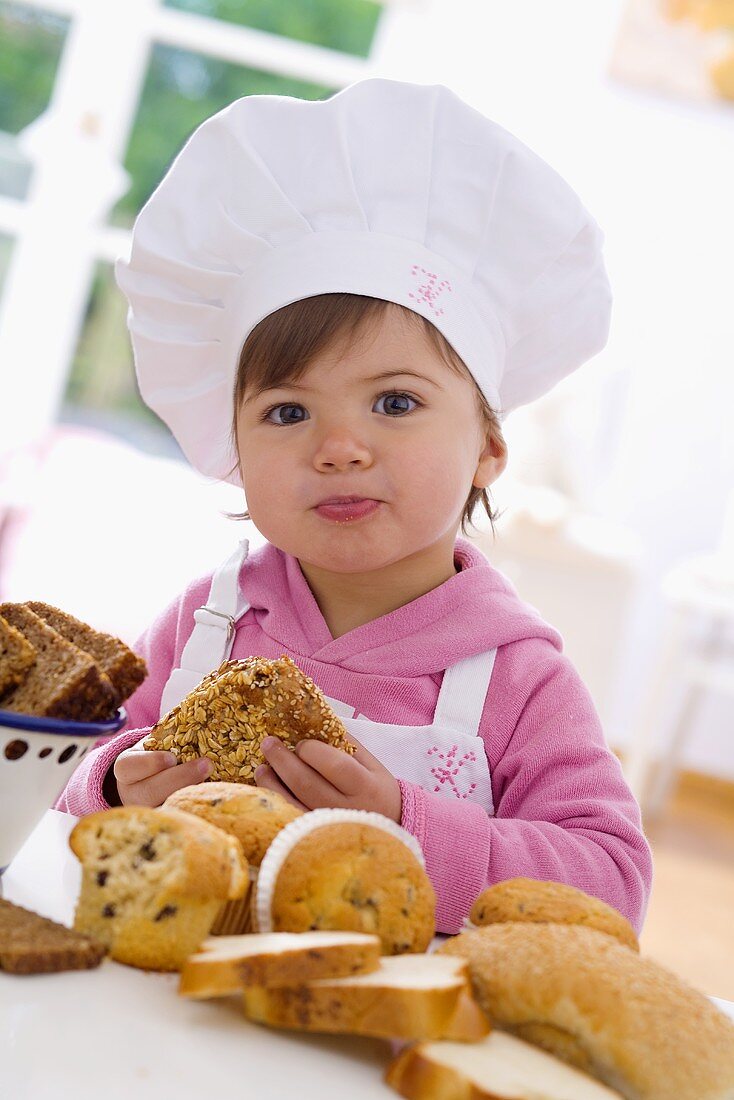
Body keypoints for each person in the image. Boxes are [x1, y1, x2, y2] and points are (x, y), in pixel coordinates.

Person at [57, 78, 653, 935]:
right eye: (288, 413)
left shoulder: (520, 682)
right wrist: (114, 784)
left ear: (488, 448)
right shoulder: (205, 622)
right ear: (234, 449)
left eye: (396, 402)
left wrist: (407, 826)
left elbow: (612, 886)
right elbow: (64, 798)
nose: (338, 446)